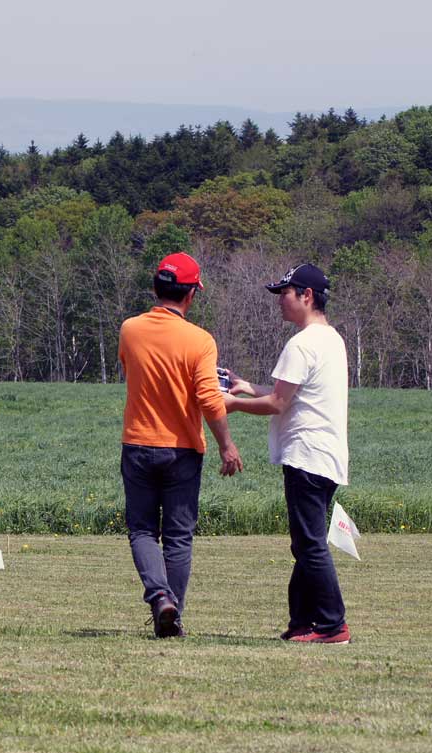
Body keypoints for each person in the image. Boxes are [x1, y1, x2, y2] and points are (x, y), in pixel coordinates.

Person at [223, 263, 351, 644]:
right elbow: (289, 393)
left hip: (305, 455)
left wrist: (231, 404)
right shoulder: (332, 340)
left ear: (306, 296)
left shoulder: (301, 344)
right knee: (306, 542)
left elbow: (278, 404)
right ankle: (303, 621)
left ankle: (332, 625)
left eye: (285, 293)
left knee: (310, 543)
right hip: (326, 456)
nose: (280, 301)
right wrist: (248, 388)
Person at [119, 252, 243, 638]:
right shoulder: (200, 341)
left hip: (138, 443)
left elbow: (130, 370)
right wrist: (227, 445)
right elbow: (208, 398)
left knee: (142, 531)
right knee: (178, 536)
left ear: (155, 287)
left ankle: (160, 598)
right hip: (183, 450)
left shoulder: (130, 330)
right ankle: (173, 614)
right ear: (191, 294)